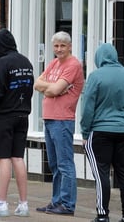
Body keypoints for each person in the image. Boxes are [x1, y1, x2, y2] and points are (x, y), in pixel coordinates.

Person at [81, 43, 124, 222]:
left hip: (100, 131)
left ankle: (102, 215)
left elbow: (87, 109)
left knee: (101, 173)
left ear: (99, 58)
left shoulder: (95, 77)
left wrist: (85, 133)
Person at [0, 28, 34, 217]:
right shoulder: (26, 62)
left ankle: (1, 203)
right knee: (18, 158)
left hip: (4, 117)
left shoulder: (3, 63)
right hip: (23, 116)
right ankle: (23, 204)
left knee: (3, 158)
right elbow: (29, 89)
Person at [33, 31, 84, 216]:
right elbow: (37, 83)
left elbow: (54, 89)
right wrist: (50, 89)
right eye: (56, 45)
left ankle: (67, 204)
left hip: (62, 120)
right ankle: (56, 201)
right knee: (54, 164)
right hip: (49, 118)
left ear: (69, 46)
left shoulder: (73, 65)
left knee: (65, 164)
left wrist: (50, 89)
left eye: (63, 45)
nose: (59, 49)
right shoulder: (54, 63)